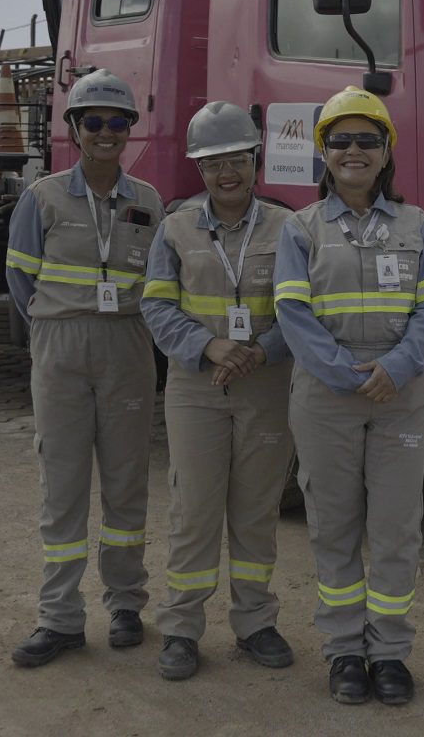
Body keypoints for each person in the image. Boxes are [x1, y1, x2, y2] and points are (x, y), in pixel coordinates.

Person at [273, 87, 424, 707]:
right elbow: (292, 314)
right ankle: (344, 651)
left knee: (396, 527)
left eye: (367, 140)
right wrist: (347, 373)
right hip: (328, 397)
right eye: (341, 140)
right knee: (333, 526)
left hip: (398, 395)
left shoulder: (417, 226)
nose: (354, 151)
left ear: (386, 154)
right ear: (324, 153)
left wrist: (401, 365)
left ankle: (389, 654)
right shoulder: (300, 228)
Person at [2, 69, 165, 668]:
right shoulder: (41, 197)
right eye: (93, 121)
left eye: (117, 122)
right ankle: (61, 618)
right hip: (61, 350)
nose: (105, 132)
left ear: (129, 131)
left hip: (127, 346)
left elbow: (160, 282)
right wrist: (57, 325)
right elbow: (20, 279)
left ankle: (126, 604)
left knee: (126, 482)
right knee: (63, 487)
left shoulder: (148, 201)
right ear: (73, 128)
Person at [139, 102, 296, 682]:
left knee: (256, 510)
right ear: (198, 171)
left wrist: (262, 350)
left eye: (235, 159)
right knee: (194, 509)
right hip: (197, 387)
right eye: (211, 164)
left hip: (266, 385)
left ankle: (255, 623)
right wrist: (208, 347)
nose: (225, 173)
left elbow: (301, 310)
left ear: (255, 159)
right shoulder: (175, 228)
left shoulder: (289, 229)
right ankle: (181, 628)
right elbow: (156, 303)